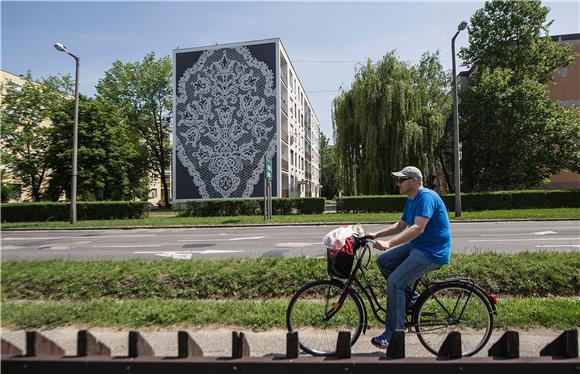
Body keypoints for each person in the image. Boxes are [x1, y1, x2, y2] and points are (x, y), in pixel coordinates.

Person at [367, 166, 451, 349]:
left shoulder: (426, 197)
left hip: (431, 252)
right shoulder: (411, 199)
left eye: (401, 180)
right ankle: (412, 300)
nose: (398, 183)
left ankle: (393, 335)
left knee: (395, 282)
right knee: (384, 262)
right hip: (418, 247)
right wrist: (376, 235)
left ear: (414, 181)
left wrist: (389, 244)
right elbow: (401, 225)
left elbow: (417, 228)